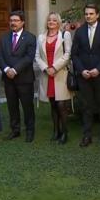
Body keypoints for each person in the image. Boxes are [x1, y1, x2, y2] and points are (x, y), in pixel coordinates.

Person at [71, 4, 100, 147]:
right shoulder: (79, 31)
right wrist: (81, 70)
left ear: (97, 15)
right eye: (86, 14)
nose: (88, 16)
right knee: (87, 107)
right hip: (84, 76)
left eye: (91, 13)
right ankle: (87, 135)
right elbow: (74, 54)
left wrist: (99, 69)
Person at [0, 10, 36, 142]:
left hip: (24, 78)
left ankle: (30, 130)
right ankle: (15, 130)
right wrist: (7, 69)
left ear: (22, 22)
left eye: (16, 20)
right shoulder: (4, 37)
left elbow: (29, 57)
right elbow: (0, 56)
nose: (13, 23)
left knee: (27, 106)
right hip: (8, 79)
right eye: (11, 20)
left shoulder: (30, 37)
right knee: (12, 106)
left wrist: (15, 69)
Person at [35, 12, 72, 144]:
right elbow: (37, 56)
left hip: (60, 73)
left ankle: (64, 133)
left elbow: (68, 54)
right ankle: (56, 131)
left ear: (59, 22)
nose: (51, 22)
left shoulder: (64, 35)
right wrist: (46, 68)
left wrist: (54, 67)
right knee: (53, 105)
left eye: (54, 20)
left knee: (61, 104)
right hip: (47, 75)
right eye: (49, 20)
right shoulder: (40, 37)